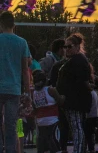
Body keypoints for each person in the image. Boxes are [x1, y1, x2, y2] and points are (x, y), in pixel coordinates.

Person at [56, 33, 93, 153]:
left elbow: (84, 81)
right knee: (76, 127)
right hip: (71, 100)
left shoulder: (79, 60)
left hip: (75, 101)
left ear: (77, 47)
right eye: (65, 47)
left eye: (69, 46)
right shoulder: (73, 60)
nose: (66, 49)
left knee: (77, 128)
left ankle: (78, 150)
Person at [0, 11, 31, 153]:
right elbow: (25, 70)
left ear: (1, 25)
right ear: (14, 25)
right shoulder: (22, 42)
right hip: (14, 89)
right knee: (11, 126)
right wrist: (27, 92)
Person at [31, 69, 62, 153]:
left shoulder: (34, 93)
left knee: (42, 142)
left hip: (40, 122)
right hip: (53, 121)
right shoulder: (51, 90)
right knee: (54, 141)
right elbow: (60, 100)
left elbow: (34, 107)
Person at [84, 83, 98, 153]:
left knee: (88, 134)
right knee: (91, 133)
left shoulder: (89, 94)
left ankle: (91, 148)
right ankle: (92, 147)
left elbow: (88, 106)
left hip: (90, 116)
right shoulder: (94, 93)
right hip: (95, 115)